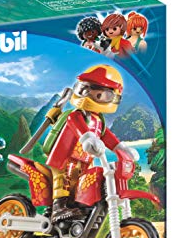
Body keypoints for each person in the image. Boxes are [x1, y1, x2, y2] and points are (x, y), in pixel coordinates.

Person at [43, 64, 138, 222]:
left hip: (84, 160)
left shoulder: (99, 120)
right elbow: (78, 127)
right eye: (84, 90)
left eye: (98, 94)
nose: (88, 97)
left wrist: (121, 149)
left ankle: (80, 205)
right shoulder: (76, 115)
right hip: (64, 158)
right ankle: (58, 208)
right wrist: (87, 138)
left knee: (81, 182)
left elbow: (107, 137)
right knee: (63, 178)